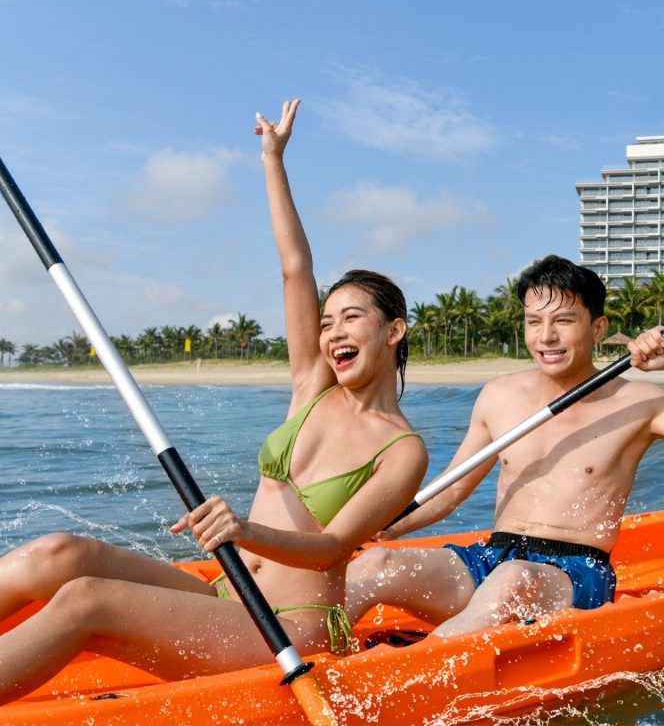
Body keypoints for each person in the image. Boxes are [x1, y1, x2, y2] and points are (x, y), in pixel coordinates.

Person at [0, 99, 427, 703]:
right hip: (227, 596)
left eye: (350, 319)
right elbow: (294, 268)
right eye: (326, 321)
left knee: (87, 599)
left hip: (292, 628)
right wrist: (273, 160)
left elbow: (332, 549)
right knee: (58, 555)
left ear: (394, 330)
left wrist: (243, 529)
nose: (332, 334)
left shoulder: (402, 450)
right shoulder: (312, 383)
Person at [345, 255, 664, 639]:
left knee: (511, 580)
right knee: (375, 565)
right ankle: (294, 664)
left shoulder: (640, 403)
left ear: (597, 327)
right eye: (534, 322)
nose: (546, 336)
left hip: (574, 574)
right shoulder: (499, 395)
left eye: (563, 321)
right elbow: (453, 488)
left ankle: (403, 682)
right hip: (492, 559)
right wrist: (375, 530)